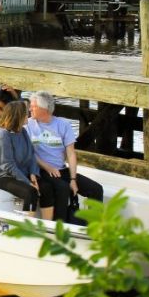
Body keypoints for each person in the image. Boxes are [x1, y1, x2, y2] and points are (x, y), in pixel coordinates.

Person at [26, 90, 104, 223]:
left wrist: (73, 179)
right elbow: (28, 154)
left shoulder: (63, 124)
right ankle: (59, 226)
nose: (30, 109)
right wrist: (48, 167)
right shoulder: (28, 125)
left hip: (61, 170)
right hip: (42, 171)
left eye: (33, 107)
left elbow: (71, 153)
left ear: (44, 109)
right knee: (62, 188)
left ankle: (93, 226)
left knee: (96, 189)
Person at [0, 101, 44, 216]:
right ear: (18, 116)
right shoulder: (2, 135)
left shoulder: (22, 131)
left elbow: (31, 153)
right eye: (25, 113)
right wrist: (27, 182)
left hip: (18, 172)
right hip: (0, 176)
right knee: (30, 191)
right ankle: (27, 226)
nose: (28, 115)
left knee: (47, 186)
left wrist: (33, 173)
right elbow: (7, 165)